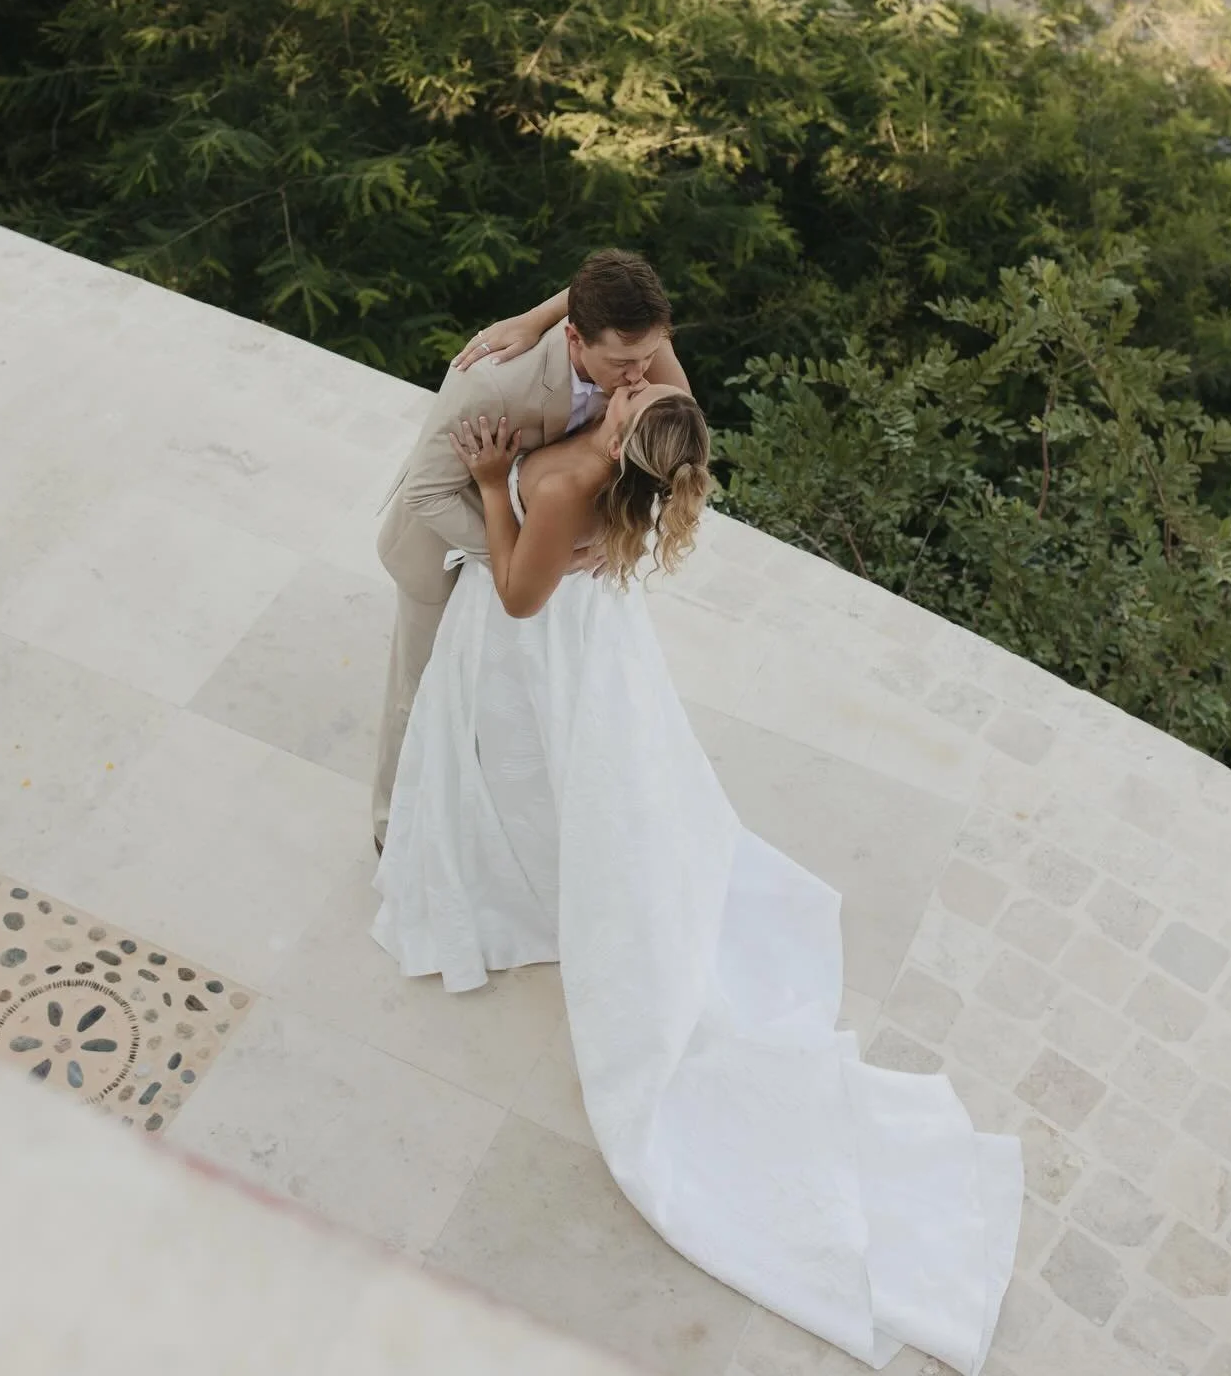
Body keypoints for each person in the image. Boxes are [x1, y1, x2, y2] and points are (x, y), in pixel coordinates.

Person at [371, 309, 1023, 1376]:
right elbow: (653, 358)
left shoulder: (579, 478)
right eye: (630, 372)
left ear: (626, 427)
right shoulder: (646, 456)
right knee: (564, 771)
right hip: (594, 641)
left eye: (635, 388)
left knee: (523, 768)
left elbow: (523, 595)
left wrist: (496, 489)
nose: (637, 380)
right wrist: (542, 325)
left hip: (528, 638)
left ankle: (520, 882)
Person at [371, 249, 689, 851]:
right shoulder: (490, 381)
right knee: (424, 693)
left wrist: (628, 529)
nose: (641, 375)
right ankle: (397, 827)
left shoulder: (641, 347)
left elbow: (672, 447)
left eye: (649, 356)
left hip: (547, 568)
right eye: (624, 362)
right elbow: (427, 492)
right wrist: (519, 551)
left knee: (522, 704)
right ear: (575, 340)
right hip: (448, 554)